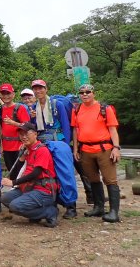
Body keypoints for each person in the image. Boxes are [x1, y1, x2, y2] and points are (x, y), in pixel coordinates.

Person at [72, 84, 121, 223]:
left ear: (93, 93)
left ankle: (114, 212)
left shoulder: (105, 108)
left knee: (110, 179)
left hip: (104, 149)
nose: (85, 94)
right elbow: (75, 130)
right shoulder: (77, 109)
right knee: (92, 178)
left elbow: (112, 129)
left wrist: (116, 148)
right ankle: (99, 207)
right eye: (82, 92)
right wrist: (75, 149)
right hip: (86, 150)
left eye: (88, 92)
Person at [1, 122, 59, 227]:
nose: (23, 137)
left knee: (15, 206)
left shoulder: (42, 150)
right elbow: (18, 171)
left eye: (27, 133)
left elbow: (36, 173)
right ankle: (36, 215)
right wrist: (21, 158)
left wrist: (14, 182)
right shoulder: (28, 150)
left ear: (35, 134)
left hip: (43, 190)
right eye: (21, 134)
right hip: (29, 187)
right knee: (5, 199)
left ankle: (49, 212)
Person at [0, 83, 30, 171]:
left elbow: (28, 127)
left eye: (8, 93)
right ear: (0, 95)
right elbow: (2, 126)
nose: (6, 96)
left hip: (19, 146)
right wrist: (0, 141)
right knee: (11, 172)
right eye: (3, 94)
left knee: (21, 172)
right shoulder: (1, 109)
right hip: (6, 147)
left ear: (13, 94)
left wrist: (13, 123)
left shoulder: (20, 108)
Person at [30, 79, 71, 144]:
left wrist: (66, 144)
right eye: (35, 89)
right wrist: (32, 118)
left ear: (46, 89)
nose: (38, 91)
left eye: (40, 88)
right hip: (41, 139)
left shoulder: (57, 104)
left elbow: (65, 125)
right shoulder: (34, 107)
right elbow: (34, 127)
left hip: (57, 139)